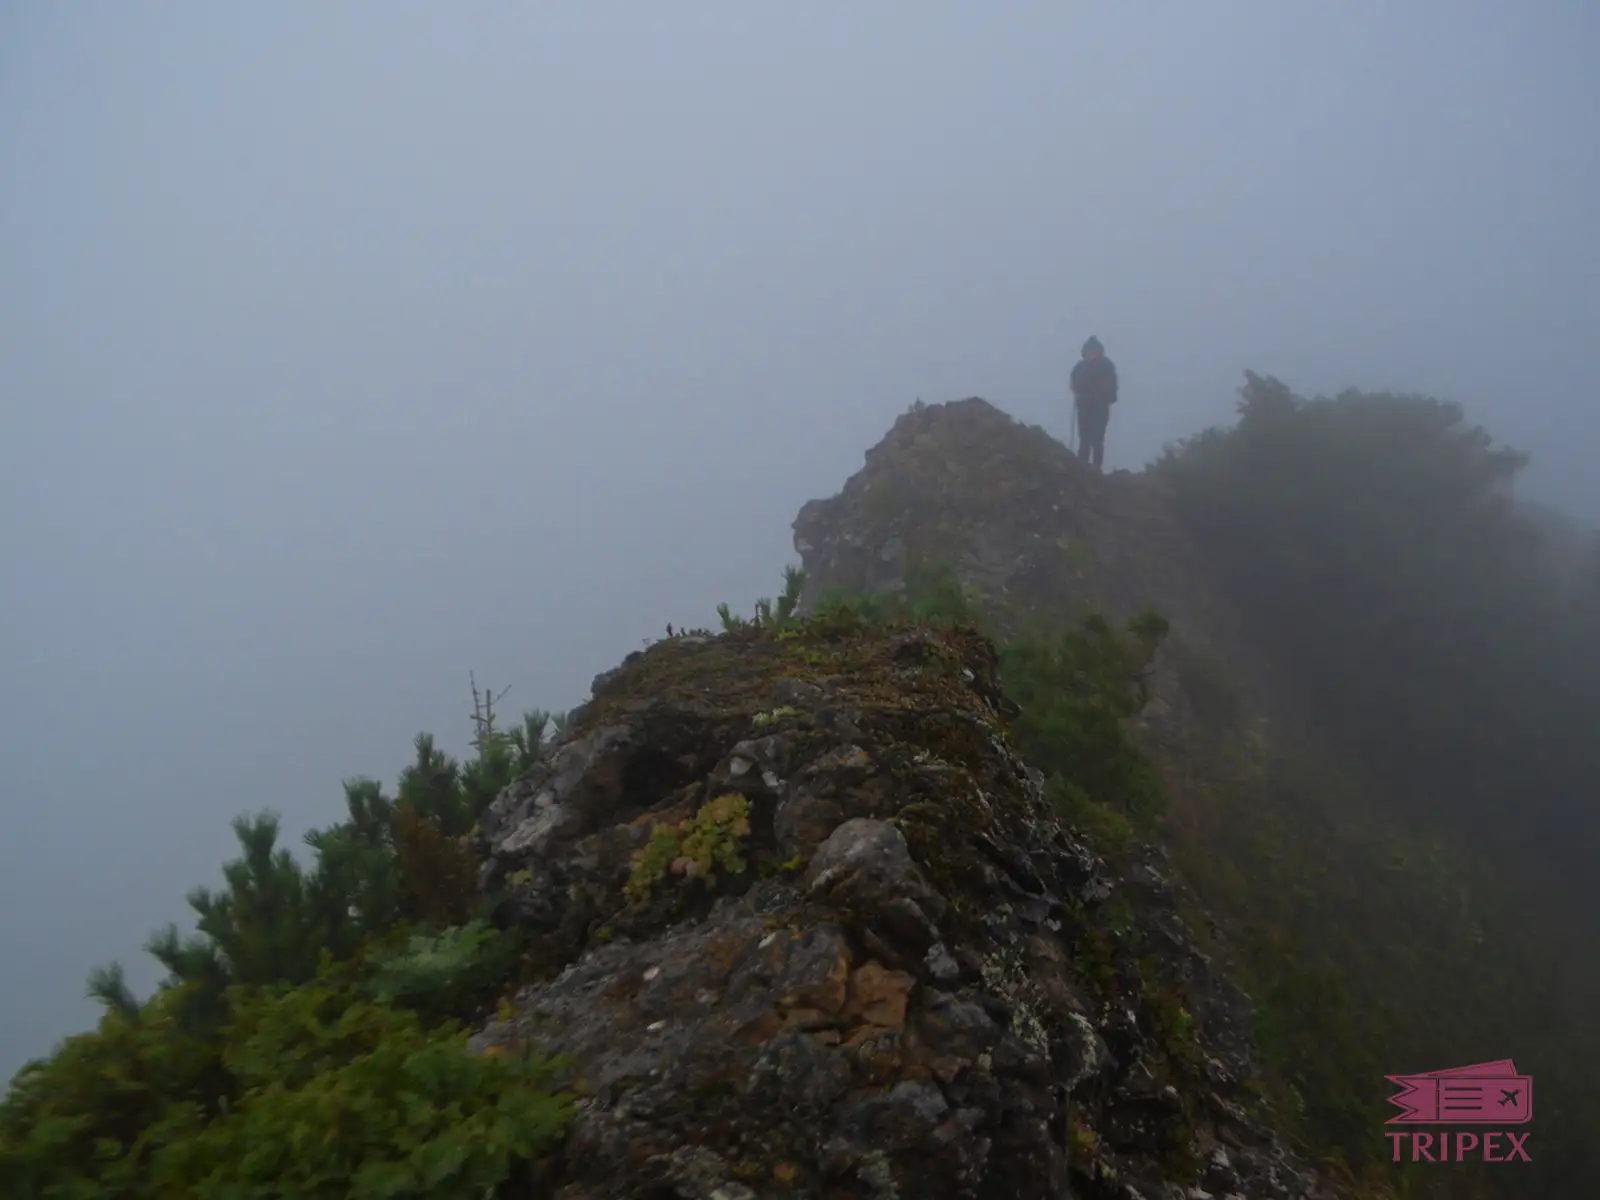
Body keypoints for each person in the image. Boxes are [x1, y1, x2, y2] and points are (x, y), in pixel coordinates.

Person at [1070, 335, 1118, 470]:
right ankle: (1082, 467)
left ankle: (1096, 469)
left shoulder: (1106, 365)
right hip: (1085, 405)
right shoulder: (1080, 367)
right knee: (1084, 438)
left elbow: (1111, 385)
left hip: (1100, 406)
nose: (1091, 353)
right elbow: (1074, 383)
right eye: (1089, 351)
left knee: (1097, 438)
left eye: (1094, 350)